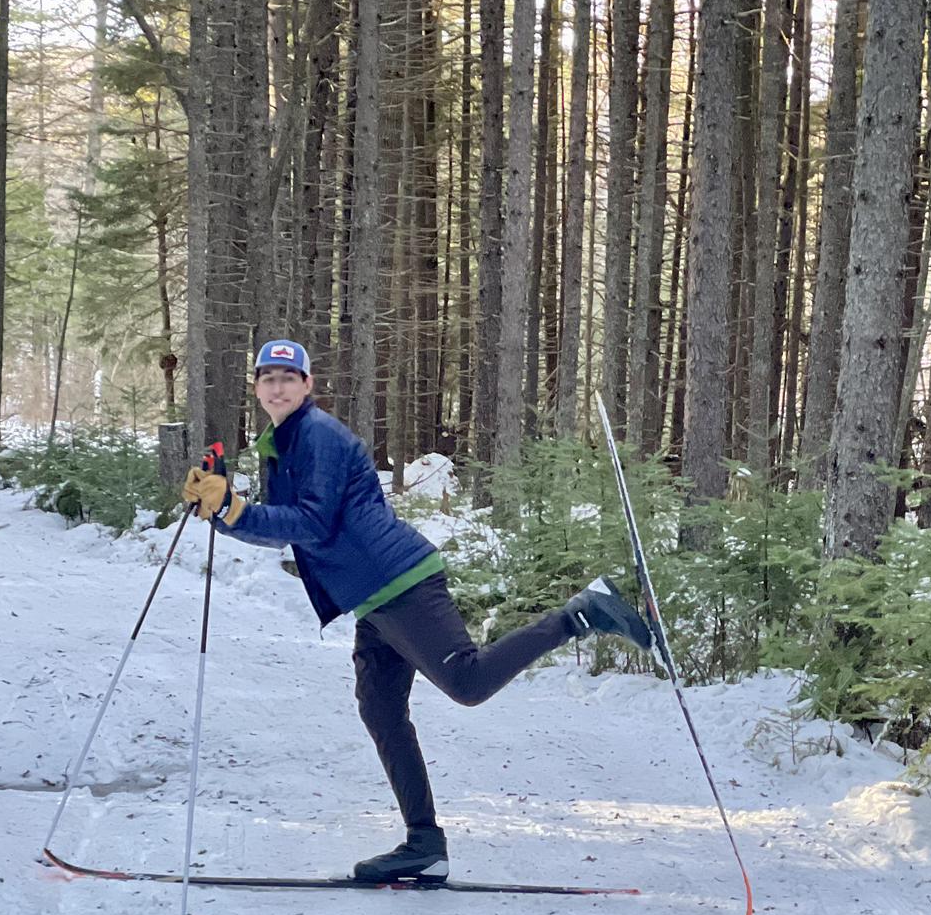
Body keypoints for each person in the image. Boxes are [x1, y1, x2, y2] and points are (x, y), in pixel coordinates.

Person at [182, 338, 652, 883]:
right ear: (258, 388)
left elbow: (312, 524)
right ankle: (424, 845)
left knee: (467, 682)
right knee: (380, 711)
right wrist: (218, 511)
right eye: (268, 378)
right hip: (372, 599)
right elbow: (288, 523)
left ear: (307, 386)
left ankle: (581, 613)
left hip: (400, 582)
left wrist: (236, 510)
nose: (278, 386)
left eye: (289, 378)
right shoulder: (282, 443)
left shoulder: (318, 436)